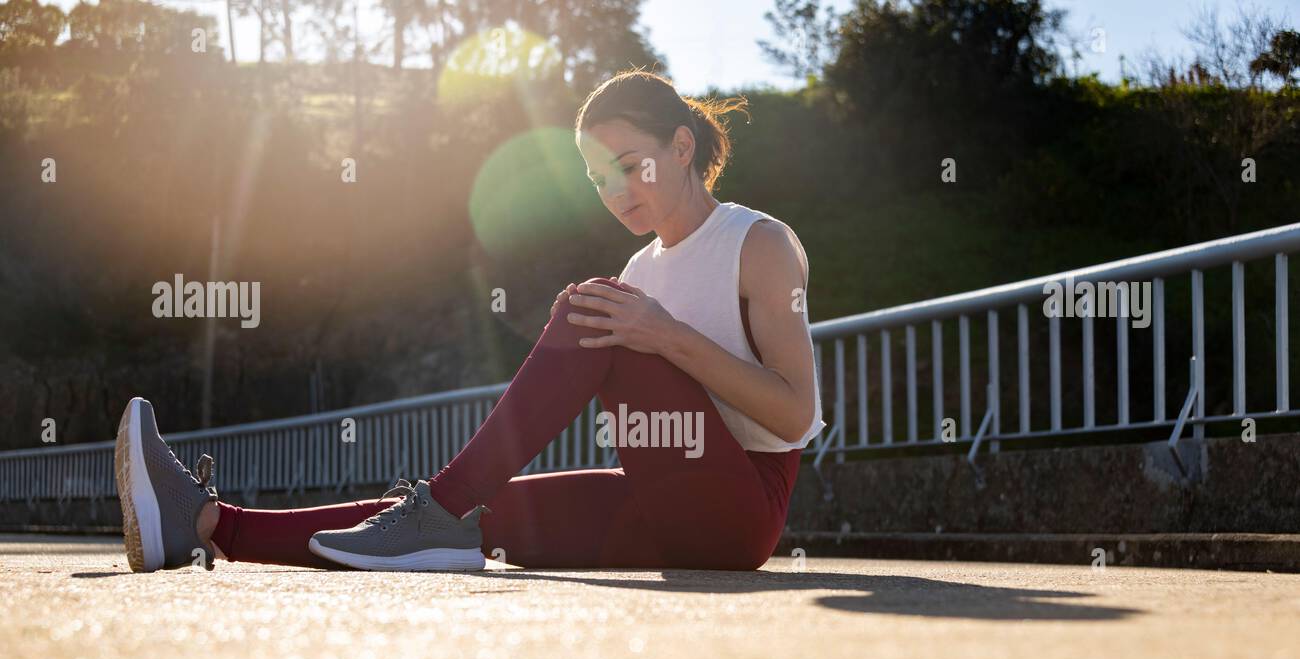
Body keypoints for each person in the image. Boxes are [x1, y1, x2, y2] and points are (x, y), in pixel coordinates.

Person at [114, 69, 824, 574]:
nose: (615, 191)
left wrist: (663, 335)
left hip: (740, 512)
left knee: (589, 310)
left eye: (630, 165)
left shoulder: (756, 243)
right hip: (661, 493)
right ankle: (207, 525)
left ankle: (441, 507)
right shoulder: (641, 274)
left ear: (681, 146)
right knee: (468, 515)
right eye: (597, 178)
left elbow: (795, 417)